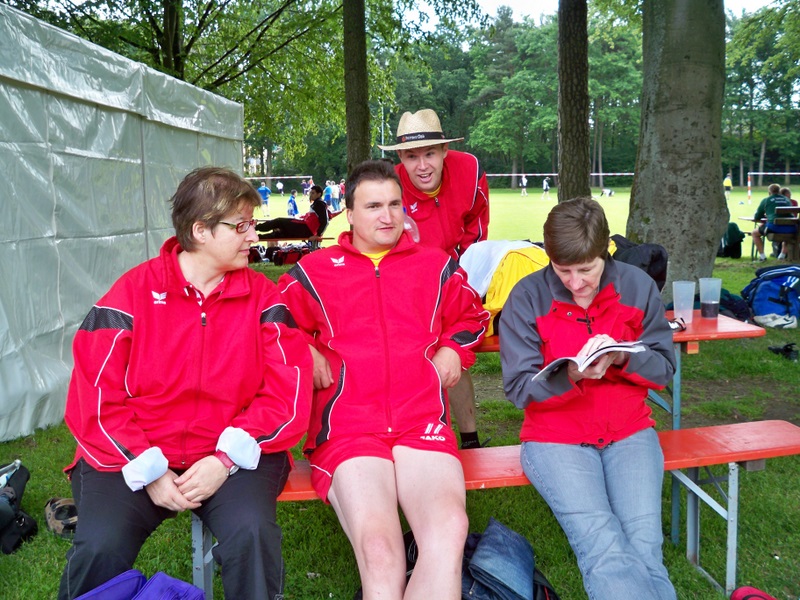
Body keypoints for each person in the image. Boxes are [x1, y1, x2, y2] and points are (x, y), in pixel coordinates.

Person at [58, 167, 313, 599]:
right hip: (133, 452)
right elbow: (94, 398)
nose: (254, 236)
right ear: (200, 231)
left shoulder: (264, 299)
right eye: (241, 226)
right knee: (100, 545)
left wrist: (224, 459)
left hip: (231, 454)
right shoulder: (131, 294)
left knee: (252, 533)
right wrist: (149, 469)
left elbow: (287, 392)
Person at [279, 160, 489, 600]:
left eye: (395, 204)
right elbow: (270, 323)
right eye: (373, 206)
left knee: (449, 530)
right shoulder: (316, 270)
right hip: (349, 429)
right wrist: (304, 349)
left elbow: (472, 315)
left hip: (420, 421)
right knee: (379, 550)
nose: (387, 216)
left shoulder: (434, 265)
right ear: (349, 213)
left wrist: (453, 349)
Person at [499, 197, 677, 600]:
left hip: (628, 430)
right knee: (604, 547)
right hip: (555, 437)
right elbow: (519, 389)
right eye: (563, 270)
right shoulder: (527, 296)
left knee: (645, 549)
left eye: (586, 270)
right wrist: (571, 375)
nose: (575, 283)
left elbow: (664, 369)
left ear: (605, 253)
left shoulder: (637, 286)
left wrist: (621, 358)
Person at [378, 108, 490, 450]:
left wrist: (460, 280)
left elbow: (476, 232)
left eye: (429, 153)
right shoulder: (389, 187)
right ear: (400, 158)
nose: (422, 165)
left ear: (445, 150)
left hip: (455, 276)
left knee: (453, 347)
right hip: (406, 282)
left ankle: (469, 439)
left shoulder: (470, 170)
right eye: (412, 156)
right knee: (411, 354)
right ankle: (414, 436)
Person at [257, 184, 329, 240]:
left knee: (279, 221)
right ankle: (258, 236)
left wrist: (318, 235)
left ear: (319, 194)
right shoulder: (318, 203)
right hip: (306, 229)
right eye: (311, 193)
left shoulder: (320, 204)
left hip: (306, 229)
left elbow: (325, 221)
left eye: (313, 193)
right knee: (282, 232)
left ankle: (256, 227)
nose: (311, 195)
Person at [751, 183, 796, 261]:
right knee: (787, 237)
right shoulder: (787, 199)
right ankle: (782, 256)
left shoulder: (766, 200)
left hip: (774, 228)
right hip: (791, 228)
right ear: (779, 191)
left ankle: (762, 257)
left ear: (769, 192)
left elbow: (757, 216)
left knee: (754, 233)